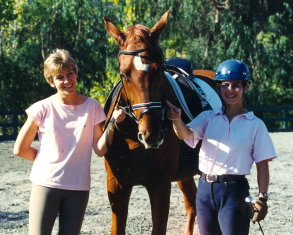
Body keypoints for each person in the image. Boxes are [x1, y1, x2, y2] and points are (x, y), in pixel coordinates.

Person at [13, 49, 125, 235]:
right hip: (46, 184)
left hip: (78, 187)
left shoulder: (92, 106)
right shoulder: (42, 108)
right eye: (59, 77)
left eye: (70, 73)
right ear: (51, 81)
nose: (67, 80)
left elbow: (99, 149)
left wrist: (112, 122)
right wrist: (48, 161)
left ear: (76, 73)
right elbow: (20, 149)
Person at [166, 59, 277, 235]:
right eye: (225, 85)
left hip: (234, 191)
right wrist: (176, 119)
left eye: (236, 85)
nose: (230, 90)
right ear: (218, 87)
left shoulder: (256, 125)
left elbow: (262, 163)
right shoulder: (208, 117)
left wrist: (262, 197)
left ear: (246, 88)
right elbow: (185, 134)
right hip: (203, 191)